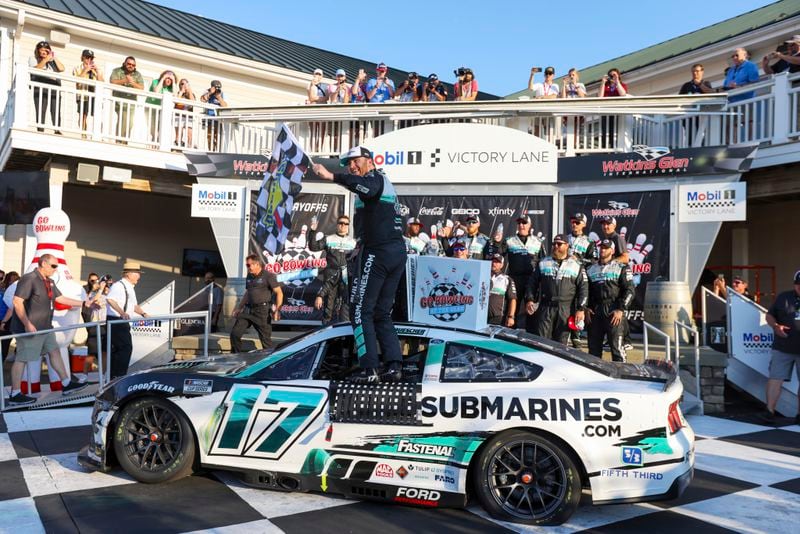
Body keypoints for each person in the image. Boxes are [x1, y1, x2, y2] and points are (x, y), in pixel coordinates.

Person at [312, 146, 407, 384]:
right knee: (381, 313)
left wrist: (332, 176)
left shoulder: (374, 179)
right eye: (347, 165)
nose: (351, 167)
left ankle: (369, 370)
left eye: (355, 161)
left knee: (359, 311)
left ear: (369, 160)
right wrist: (359, 244)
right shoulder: (380, 181)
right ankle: (394, 366)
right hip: (392, 251)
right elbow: (375, 216)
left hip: (380, 253)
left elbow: (368, 189)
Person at [6, 255, 89, 406]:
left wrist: (84, 303)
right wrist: (27, 323)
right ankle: (15, 393)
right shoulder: (29, 278)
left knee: (54, 351)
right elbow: (17, 302)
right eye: (53, 266)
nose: (56, 269)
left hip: (45, 328)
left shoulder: (49, 282)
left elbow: (60, 299)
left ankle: (66, 383)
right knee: (22, 358)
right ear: (43, 263)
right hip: (30, 329)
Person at [525, 234, 587, 345]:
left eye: (559, 244)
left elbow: (583, 288)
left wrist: (581, 308)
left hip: (565, 309)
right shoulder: (543, 262)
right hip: (546, 307)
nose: (556, 246)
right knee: (542, 343)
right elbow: (531, 283)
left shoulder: (576, 265)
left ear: (567, 246)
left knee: (561, 345)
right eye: (554, 244)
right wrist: (530, 299)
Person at [488, 213, 544, 329]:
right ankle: (508, 333)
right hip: (515, 278)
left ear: (529, 225)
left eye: (524, 223)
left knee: (531, 308)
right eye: (519, 223)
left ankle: (531, 336)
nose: (521, 225)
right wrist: (497, 243)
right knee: (512, 306)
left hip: (532, 280)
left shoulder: (538, 241)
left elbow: (543, 262)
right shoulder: (509, 240)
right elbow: (497, 256)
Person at [587, 239, 635, 362]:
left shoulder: (621, 267)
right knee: (593, 351)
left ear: (612, 251)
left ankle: (621, 378)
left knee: (617, 349)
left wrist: (621, 309)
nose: (602, 250)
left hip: (613, 310)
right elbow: (585, 291)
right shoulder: (591, 268)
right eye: (601, 247)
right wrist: (585, 308)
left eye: (606, 247)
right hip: (595, 312)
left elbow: (630, 290)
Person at [762, 270, 800, 424]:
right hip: (782, 347)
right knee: (775, 378)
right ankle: (769, 411)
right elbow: (769, 315)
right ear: (794, 284)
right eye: (798, 285)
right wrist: (775, 326)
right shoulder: (783, 297)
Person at [310, 215, 356, 325]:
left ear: (349, 226)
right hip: (331, 278)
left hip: (346, 280)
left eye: (346, 224)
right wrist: (312, 231)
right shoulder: (329, 238)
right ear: (337, 225)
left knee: (346, 309)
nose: (343, 225)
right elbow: (313, 247)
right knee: (328, 310)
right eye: (341, 223)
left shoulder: (353, 243)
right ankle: (327, 336)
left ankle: (345, 335)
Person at [106, 262, 149, 379]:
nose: (139, 276)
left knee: (122, 349)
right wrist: (122, 313)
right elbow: (110, 299)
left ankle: (115, 376)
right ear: (128, 274)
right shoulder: (119, 286)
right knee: (125, 348)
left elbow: (133, 306)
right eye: (137, 273)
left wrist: (144, 314)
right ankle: (118, 376)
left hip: (122, 321)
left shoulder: (129, 287)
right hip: (116, 320)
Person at [230, 255, 282, 352]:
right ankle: (235, 356)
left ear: (257, 264)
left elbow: (279, 292)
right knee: (235, 333)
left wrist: (278, 310)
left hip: (262, 311)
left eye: (249, 265)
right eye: (246, 265)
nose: (247, 267)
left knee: (266, 341)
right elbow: (247, 293)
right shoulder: (249, 276)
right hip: (248, 310)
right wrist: (239, 307)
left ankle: (270, 362)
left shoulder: (268, 276)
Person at [29, 41, 65, 133]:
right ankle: (40, 130)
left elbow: (62, 68)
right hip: (40, 86)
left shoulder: (52, 60)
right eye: (42, 50)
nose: (44, 52)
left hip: (54, 86)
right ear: (38, 50)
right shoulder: (33, 58)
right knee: (41, 108)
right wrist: (45, 60)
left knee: (55, 109)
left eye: (46, 50)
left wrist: (54, 57)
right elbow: (35, 70)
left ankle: (57, 130)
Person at [109, 56, 145, 140]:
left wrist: (132, 83)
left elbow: (141, 87)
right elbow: (112, 81)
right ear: (124, 63)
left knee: (130, 123)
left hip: (132, 103)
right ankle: (119, 141)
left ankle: (124, 141)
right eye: (129, 64)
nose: (131, 66)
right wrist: (125, 81)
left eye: (133, 65)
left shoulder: (137, 74)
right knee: (124, 119)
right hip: (119, 102)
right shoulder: (117, 71)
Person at [72, 49, 104, 135]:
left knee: (97, 116)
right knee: (83, 116)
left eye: (91, 58)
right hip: (83, 95)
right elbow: (77, 82)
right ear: (82, 58)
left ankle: (98, 134)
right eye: (87, 58)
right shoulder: (77, 68)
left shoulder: (96, 69)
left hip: (95, 96)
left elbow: (102, 83)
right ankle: (84, 134)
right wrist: (85, 70)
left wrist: (97, 72)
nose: (89, 60)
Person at [598, 68, 627, 148]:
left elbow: (623, 94)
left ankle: (615, 147)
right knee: (605, 132)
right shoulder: (606, 86)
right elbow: (600, 96)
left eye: (614, 74)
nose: (612, 76)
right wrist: (603, 82)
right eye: (611, 75)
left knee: (615, 131)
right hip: (606, 112)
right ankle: (605, 148)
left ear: (618, 75)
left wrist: (617, 82)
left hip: (616, 111)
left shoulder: (622, 85)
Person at [147, 70, 177, 141]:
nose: (169, 80)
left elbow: (175, 97)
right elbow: (156, 92)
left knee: (160, 129)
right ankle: (154, 142)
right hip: (152, 108)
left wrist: (174, 82)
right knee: (153, 129)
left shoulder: (171, 88)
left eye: (171, 79)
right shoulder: (156, 82)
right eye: (167, 78)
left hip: (163, 111)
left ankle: (156, 142)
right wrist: (163, 79)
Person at [488, 254, 517, 327]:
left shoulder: (507, 279)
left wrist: (511, 317)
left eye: (497, 262)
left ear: (502, 265)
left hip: (497, 317)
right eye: (492, 261)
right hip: (479, 315)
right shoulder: (481, 275)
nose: (493, 263)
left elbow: (512, 299)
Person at [200, 80, 228, 151]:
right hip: (209, 118)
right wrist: (210, 93)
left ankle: (218, 150)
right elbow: (203, 100)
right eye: (215, 87)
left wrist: (219, 97)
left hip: (218, 119)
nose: (217, 89)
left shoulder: (222, 94)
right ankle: (211, 150)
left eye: (218, 87)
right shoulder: (207, 91)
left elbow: (225, 106)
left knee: (218, 137)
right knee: (209, 136)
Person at [0, 271, 20, 362]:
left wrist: (4, 322)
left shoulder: (12, 292)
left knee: (6, 344)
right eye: (10, 281)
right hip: (5, 320)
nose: (12, 283)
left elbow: (11, 308)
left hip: (7, 320)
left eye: (1, 278)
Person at [175, 78, 196, 147]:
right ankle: (178, 144)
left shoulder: (191, 94)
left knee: (189, 133)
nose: (184, 85)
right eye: (182, 84)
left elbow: (193, 103)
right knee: (179, 132)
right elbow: (176, 102)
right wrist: (181, 92)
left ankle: (190, 145)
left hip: (189, 116)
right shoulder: (179, 93)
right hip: (179, 115)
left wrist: (189, 90)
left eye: (185, 83)